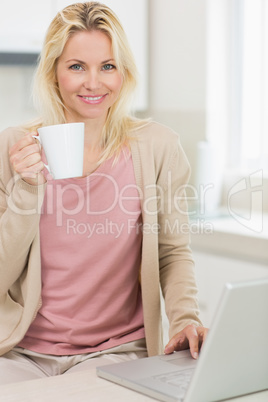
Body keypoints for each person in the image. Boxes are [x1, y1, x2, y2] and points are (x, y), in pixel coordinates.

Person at [0, 1, 208, 385]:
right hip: (20, 352)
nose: (93, 83)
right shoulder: (13, 149)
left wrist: (185, 320)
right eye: (77, 66)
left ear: (123, 73)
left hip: (116, 352)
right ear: (54, 72)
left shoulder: (158, 146)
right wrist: (26, 190)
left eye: (107, 66)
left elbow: (173, 252)